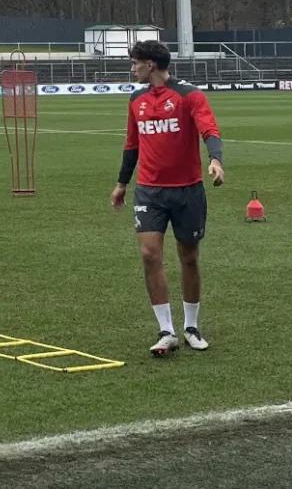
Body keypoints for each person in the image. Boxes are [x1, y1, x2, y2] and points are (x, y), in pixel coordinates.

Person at [110, 40, 224, 357]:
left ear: (150, 64)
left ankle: (190, 326)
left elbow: (209, 129)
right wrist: (122, 183)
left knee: (188, 257)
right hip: (149, 190)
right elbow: (132, 144)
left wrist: (215, 159)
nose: (131, 69)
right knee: (149, 255)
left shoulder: (189, 95)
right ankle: (166, 331)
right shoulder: (136, 99)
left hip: (188, 190)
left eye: (134, 63)